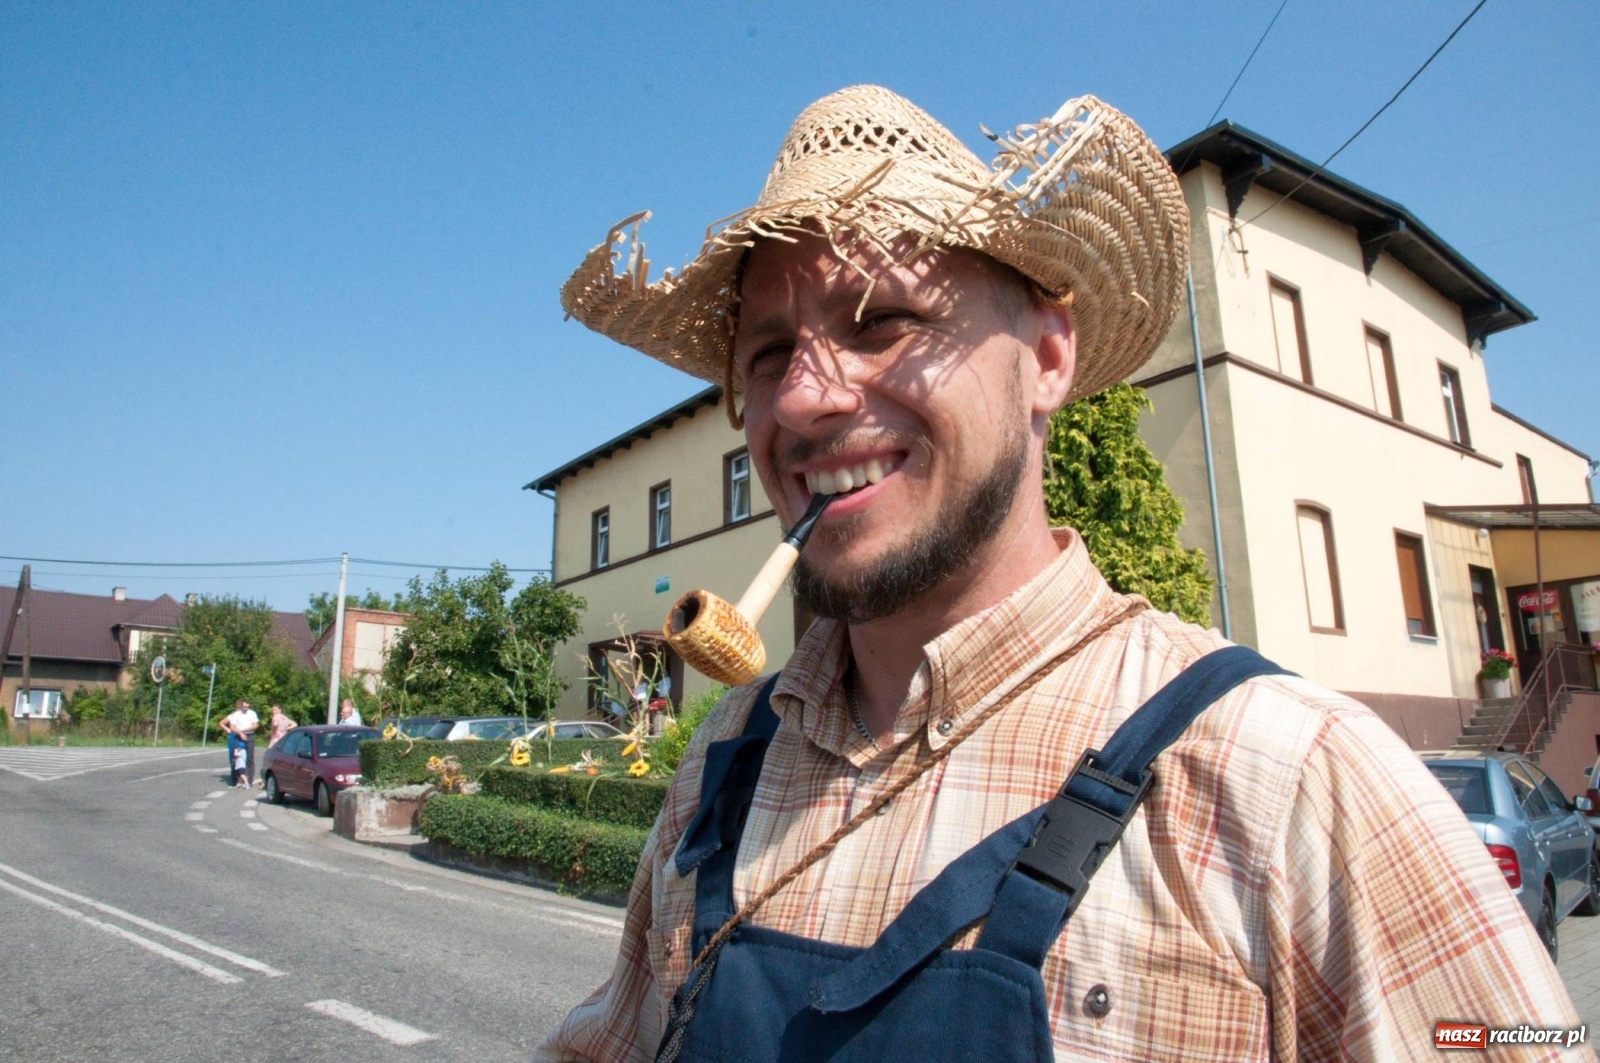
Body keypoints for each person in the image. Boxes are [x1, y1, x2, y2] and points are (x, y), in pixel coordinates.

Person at [540, 87, 1583, 1061]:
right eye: (768, 354)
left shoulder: (1295, 778)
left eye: (883, 320)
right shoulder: (724, 760)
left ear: (1046, 358)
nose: (807, 397)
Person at [220, 699, 259, 789]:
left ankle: (249, 780)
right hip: (238, 737)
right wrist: (240, 733)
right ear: (241, 706)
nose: (246, 708)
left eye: (248, 706)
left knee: (250, 758)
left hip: (249, 736)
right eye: (245, 706)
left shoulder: (252, 713)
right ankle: (237, 779)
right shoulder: (235, 715)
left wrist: (242, 730)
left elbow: (255, 725)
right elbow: (232, 727)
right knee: (236, 757)